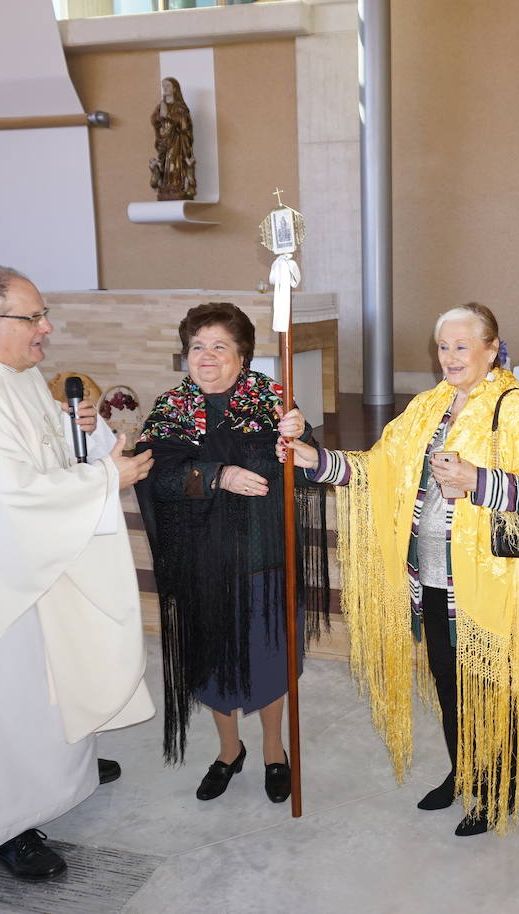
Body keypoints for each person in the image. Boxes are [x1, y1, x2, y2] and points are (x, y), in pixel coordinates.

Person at [282, 303, 519, 837]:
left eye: (463, 346)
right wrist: (316, 462)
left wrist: (478, 480)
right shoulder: (428, 406)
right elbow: (379, 467)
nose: (452, 356)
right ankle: (464, 772)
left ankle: (495, 790)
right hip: (432, 578)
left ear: (491, 348)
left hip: (490, 585)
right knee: (446, 682)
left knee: (487, 687)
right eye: (444, 346)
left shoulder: (514, 407)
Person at [0, 267, 155, 880]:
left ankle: (63, 770)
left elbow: (40, 455)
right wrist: (106, 479)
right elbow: (9, 495)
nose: (46, 328)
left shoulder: (13, 377)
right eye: (33, 318)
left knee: (56, 674)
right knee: (14, 699)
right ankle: (7, 828)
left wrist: (84, 435)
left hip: (36, 563)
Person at [134, 303, 329, 804]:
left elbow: (304, 465)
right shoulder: (171, 408)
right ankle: (228, 752)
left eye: (220, 346)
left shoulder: (271, 402)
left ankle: (272, 752)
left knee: (268, 661)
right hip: (204, 563)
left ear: (243, 357)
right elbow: (157, 477)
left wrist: (299, 435)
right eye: (197, 346)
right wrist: (218, 476)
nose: (206, 356)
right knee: (215, 666)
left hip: (264, 556)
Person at [149, 76, 196, 201]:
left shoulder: (180, 107)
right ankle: (165, 186)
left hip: (177, 141)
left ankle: (178, 186)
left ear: (175, 89)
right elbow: (154, 120)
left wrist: (168, 116)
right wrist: (159, 117)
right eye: (163, 86)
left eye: (168, 86)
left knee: (175, 163)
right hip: (164, 140)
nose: (165, 88)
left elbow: (184, 125)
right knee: (164, 163)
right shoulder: (161, 106)